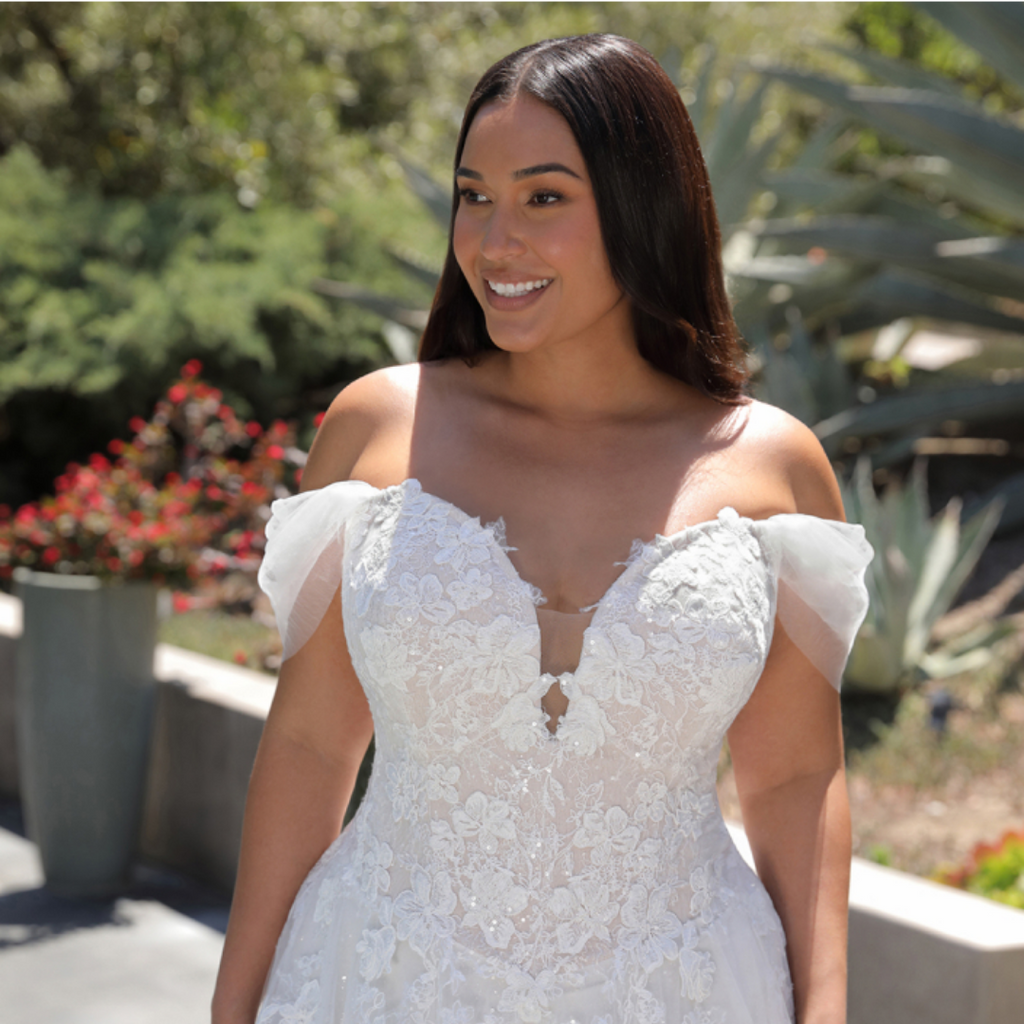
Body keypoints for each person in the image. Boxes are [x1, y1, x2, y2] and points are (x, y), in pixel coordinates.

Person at [212, 34, 872, 1024]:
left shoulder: (771, 465)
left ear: (639, 206)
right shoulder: (378, 427)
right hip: (379, 982)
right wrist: (234, 1007)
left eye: (543, 197)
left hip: (684, 992)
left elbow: (793, 776)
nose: (492, 239)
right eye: (473, 195)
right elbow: (310, 744)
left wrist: (823, 1012)